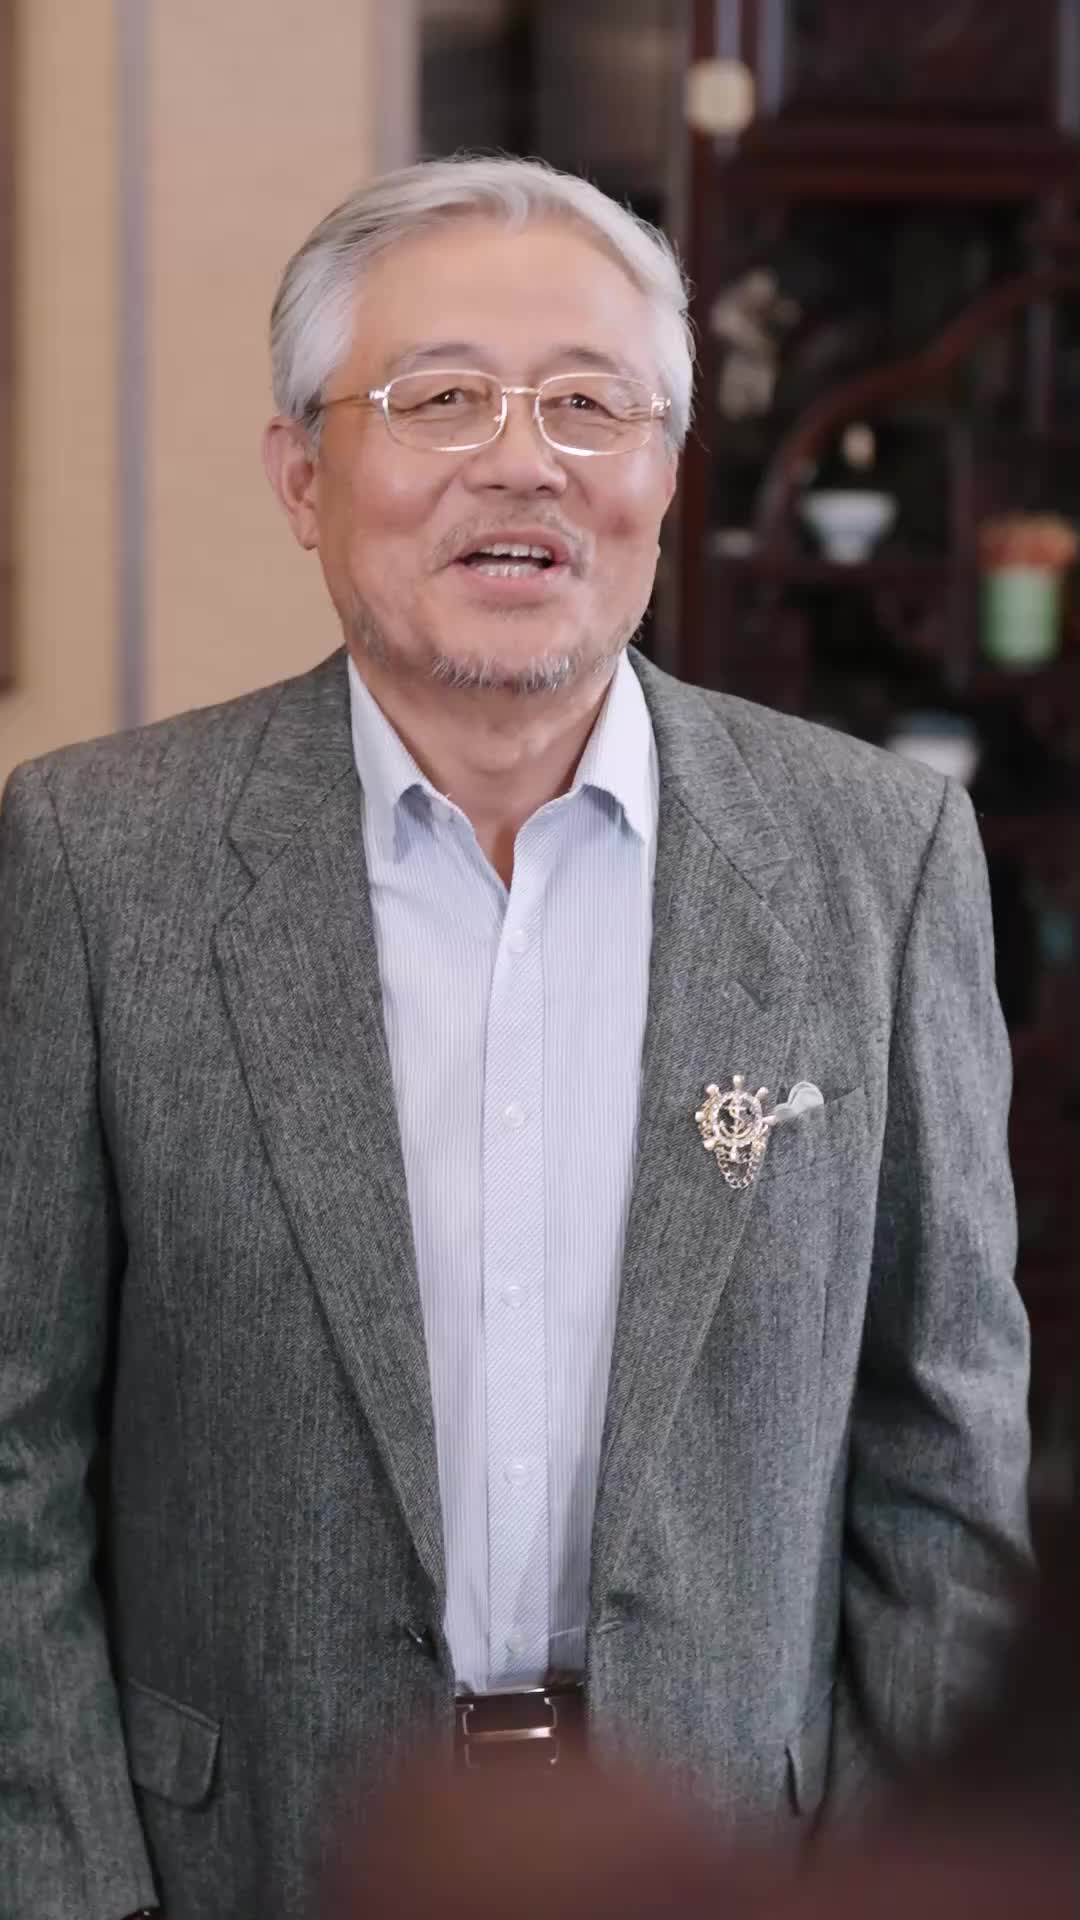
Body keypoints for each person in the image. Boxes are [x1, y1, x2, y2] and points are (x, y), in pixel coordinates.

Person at [0, 156, 1031, 1920]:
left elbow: (945, 1452)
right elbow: (16, 1443)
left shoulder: (878, 858)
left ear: (663, 473)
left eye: (587, 404)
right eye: (441, 398)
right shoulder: (101, 862)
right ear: (302, 475)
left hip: (734, 1862)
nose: (523, 460)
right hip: (243, 1855)